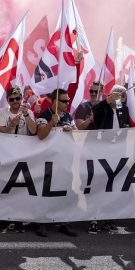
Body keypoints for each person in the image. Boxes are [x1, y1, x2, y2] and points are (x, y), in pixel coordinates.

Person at [85, 84, 130, 234]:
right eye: (115, 95)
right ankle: (93, 218)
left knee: (112, 184)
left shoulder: (123, 108)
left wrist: (118, 105)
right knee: (98, 183)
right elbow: (96, 112)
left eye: (121, 96)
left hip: (116, 150)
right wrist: (107, 101)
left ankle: (108, 218)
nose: (119, 98)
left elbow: (123, 120)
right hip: (100, 149)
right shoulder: (101, 106)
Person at [34, 89, 78, 237]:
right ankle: (42, 222)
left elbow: (76, 133)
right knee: (46, 191)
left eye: (68, 100)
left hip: (64, 159)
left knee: (65, 189)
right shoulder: (44, 115)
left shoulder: (68, 115)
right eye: (64, 101)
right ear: (55, 101)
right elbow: (41, 135)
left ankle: (64, 222)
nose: (67, 103)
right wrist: (52, 123)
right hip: (48, 160)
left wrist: (71, 129)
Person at [0, 85, 36, 233]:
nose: (15, 102)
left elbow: (33, 130)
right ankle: (4, 217)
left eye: (18, 98)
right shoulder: (2, 113)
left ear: (21, 99)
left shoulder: (28, 112)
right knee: (5, 185)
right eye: (12, 99)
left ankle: (17, 218)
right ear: (8, 100)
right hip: (6, 153)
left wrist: (26, 115)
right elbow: (1, 131)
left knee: (20, 187)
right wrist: (11, 124)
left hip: (22, 153)